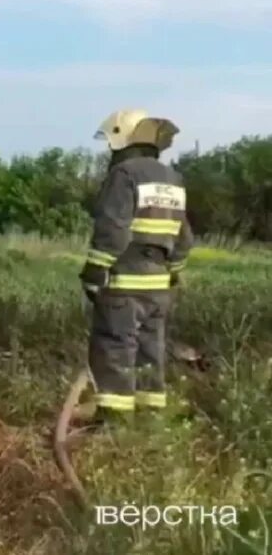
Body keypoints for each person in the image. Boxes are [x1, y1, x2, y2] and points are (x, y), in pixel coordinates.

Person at [80, 109, 193, 426]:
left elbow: (113, 229)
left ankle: (114, 421)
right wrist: (172, 271)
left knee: (115, 347)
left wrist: (94, 271)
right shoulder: (173, 179)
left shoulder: (124, 174)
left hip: (125, 283)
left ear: (123, 137)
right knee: (150, 350)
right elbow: (184, 238)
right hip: (158, 286)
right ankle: (149, 417)